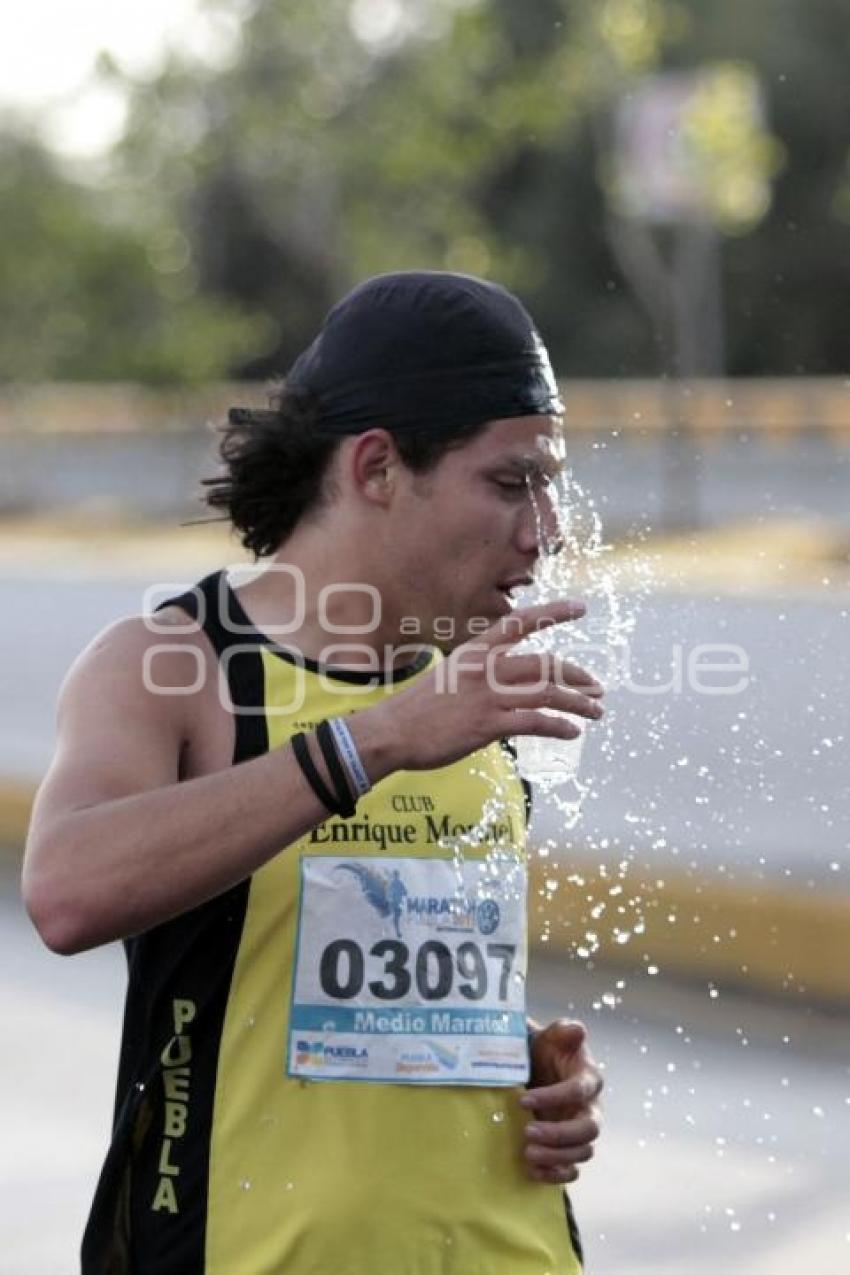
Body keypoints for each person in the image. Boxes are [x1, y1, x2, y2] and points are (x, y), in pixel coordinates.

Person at [23, 271, 606, 1274]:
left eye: (549, 485)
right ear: (377, 466)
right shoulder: (175, 665)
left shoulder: (470, 685)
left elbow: (361, 988)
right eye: (510, 483)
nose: (543, 529)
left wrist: (515, 1062)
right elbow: (66, 892)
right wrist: (370, 742)